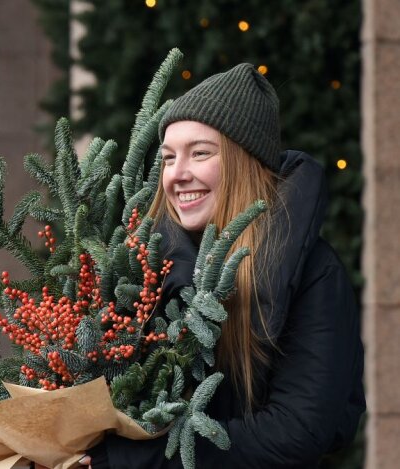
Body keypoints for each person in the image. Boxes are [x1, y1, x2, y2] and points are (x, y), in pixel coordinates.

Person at [78, 63, 365, 468]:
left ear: (243, 160)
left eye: (200, 153)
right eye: (168, 157)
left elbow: (298, 430)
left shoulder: (316, 273)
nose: (178, 174)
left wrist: (131, 459)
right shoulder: (142, 270)